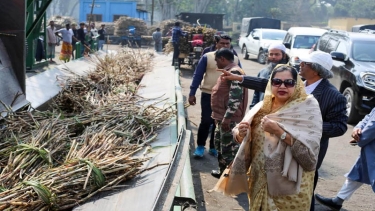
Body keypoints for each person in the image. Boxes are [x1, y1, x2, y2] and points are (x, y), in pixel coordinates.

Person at [218, 51, 348, 210]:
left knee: (303, 183)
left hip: (305, 150)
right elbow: (267, 82)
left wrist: (301, 127)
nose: (283, 86)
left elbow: (339, 127)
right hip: (265, 169)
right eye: (277, 82)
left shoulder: (333, 96)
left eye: (305, 63)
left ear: (316, 69)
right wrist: (240, 79)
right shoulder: (291, 86)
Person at [189, 35, 241, 160]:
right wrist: (192, 92)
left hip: (225, 97)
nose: (224, 45)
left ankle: (213, 147)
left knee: (218, 122)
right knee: (206, 120)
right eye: (222, 43)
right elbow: (198, 74)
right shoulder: (208, 57)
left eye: (227, 43)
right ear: (216, 43)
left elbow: (241, 77)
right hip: (208, 93)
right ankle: (200, 146)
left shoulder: (236, 59)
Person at [314, 107, 375, 211]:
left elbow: (373, 126)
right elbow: (370, 117)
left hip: (371, 146)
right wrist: (357, 129)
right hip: (370, 147)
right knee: (358, 172)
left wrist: (360, 138)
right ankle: (338, 201)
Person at [210, 48, 248, 179]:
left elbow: (236, 98)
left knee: (229, 149)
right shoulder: (230, 71)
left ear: (222, 59)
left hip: (229, 120)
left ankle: (232, 179)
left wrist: (227, 118)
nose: (216, 64)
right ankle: (223, 173)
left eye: (216, 61)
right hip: (222, 117)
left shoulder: (234, 72)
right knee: (220, 146)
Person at [250, 43, 290, 109]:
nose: (273, 57)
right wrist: (252, 109)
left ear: (284, 56)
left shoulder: (291, 73)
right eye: (271, 54)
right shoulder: (262, 72)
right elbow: (256, 94)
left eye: (277, 54)